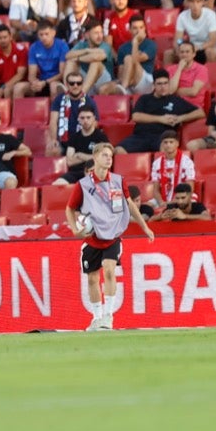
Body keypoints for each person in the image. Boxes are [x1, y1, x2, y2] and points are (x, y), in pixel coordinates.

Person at [65, 142, 155, 332]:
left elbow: (130, 204)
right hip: (92, 238)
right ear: (95, 157)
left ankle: (108, 316)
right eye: (105, 155)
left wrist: (144, 226)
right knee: (92, 279)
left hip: (112, 237)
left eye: (111, 156)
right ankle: (97, 318)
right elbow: (70, 208)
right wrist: (74, 228)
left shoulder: (117, 181)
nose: (109, 159)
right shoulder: (83, 185)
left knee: (108, 270)